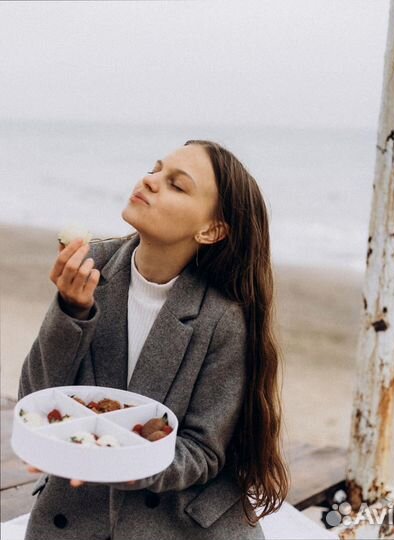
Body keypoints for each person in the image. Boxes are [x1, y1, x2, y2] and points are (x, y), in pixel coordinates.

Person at [19, 139, 290, 540]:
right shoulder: (92, 267)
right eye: (155, 169)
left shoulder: (223, 318)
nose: (150, 181)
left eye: (176, 185)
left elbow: (203, 451)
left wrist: (117, 462)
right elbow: (36, 398)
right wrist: (71, 310)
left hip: (178, 522)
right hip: (75, 514)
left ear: (212, 229)